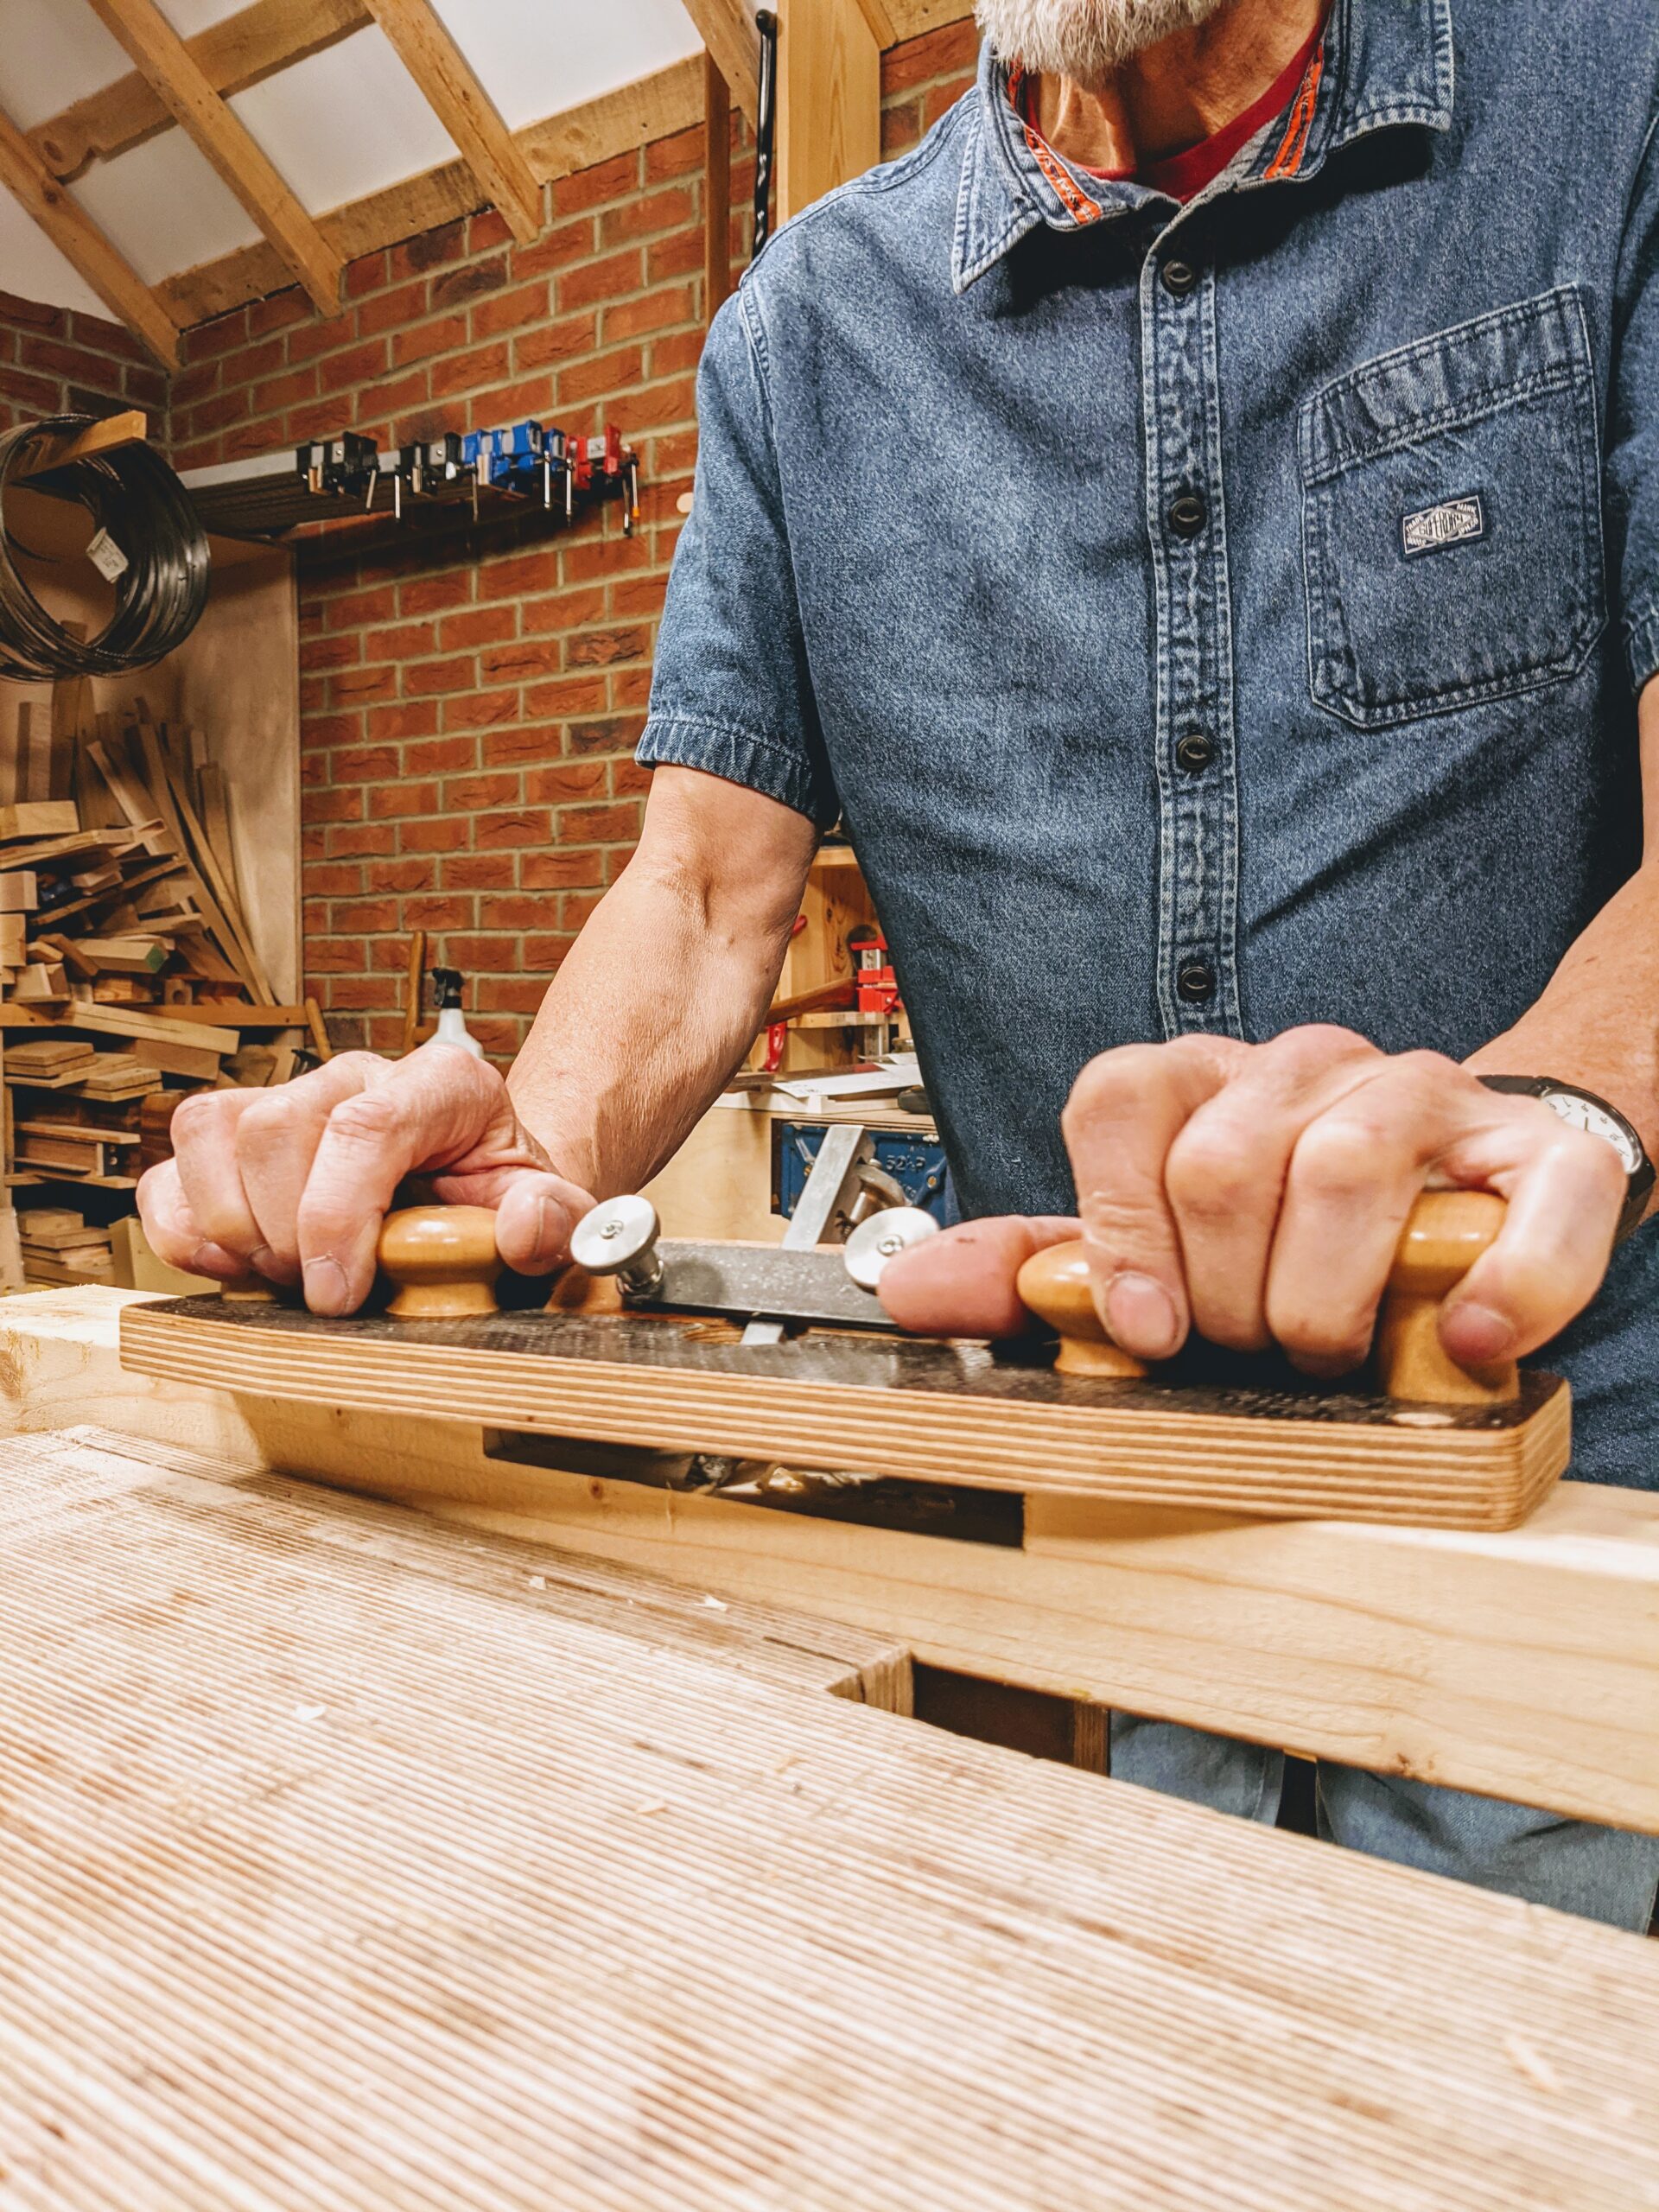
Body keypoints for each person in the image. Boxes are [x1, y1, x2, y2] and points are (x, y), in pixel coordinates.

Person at [141, 0, 1659, 1928]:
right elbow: (705, 893)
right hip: (1107, 1483)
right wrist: (523, 1152)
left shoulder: (1610, 99)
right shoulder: (808, 328)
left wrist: (1559, 1104)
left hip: (1565, 1466)